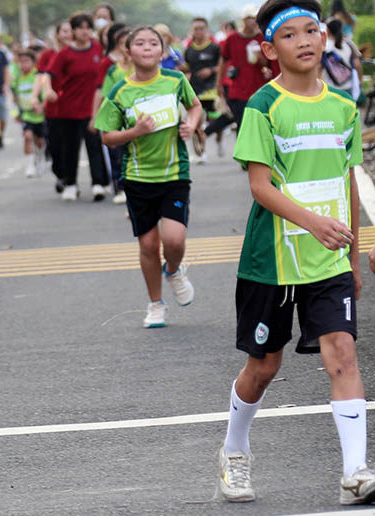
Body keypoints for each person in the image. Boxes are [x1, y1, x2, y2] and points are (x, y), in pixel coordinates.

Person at [217, 0, 375, 505]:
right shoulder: (263, 106)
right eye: (290, 34)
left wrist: (353, 252)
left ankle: (355, 473)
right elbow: (260, 186)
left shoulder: (343, 107)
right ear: (268, 48)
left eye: (311, 31)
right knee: (264, 367)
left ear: (324, 38)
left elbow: (347, 182)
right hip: (272, 259)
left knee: (342, 351)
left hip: (328, 258)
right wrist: (313, 222)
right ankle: (234, 448)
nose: (303, 41)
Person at [95, 26, 202, 328]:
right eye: (139, 43)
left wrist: (191, 125)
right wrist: (135, 132)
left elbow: (194, 107)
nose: (147, 47)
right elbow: (107, 136)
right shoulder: (120, 92)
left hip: (174, 173)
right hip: (138, 177)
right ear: (128, 53)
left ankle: (174, 269)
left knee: (174, 240)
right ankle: (155, 304)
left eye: (153, 43)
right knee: (147, 245)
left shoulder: (175, 80)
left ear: (162, 50)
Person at [48, 13, 108, 202]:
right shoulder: (65, 54)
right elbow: (49, 75)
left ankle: (98, 183)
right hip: (69, 109)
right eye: (81, 28)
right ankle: (71, 184)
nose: (85, 32)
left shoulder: (97, 48)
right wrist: (49, 92)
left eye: (88, 28)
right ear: (74, 30)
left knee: (94, 145)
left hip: (92, 108)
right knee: (70, 149)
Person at [216, 4, 275, 132]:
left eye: (255, 18)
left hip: (259, 89)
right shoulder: (232, 38)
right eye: (250, 18)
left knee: (260, 126)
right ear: (243, 20)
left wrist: (261, 58)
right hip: (238, 90)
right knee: (242, 126)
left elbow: (267, 65)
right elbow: (223, 60)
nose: (253, 21)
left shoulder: (262, 38)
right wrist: (219, 83)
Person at [93, 23, 131, 204]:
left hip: (139, 120)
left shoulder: (147, 68)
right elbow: (105, 95)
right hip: (118, 120)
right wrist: (97, 118)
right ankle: (120, 188)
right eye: (124, 44)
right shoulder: (113, 70)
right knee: (117, 155)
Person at [38, 22, 73, 193]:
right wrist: (39, 95)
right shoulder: (48, 55)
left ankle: (70, 179)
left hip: (73, 107)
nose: (68, 34)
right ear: (58, 34)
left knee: (70, 145)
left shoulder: (78, 54)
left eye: (70, 31)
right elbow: (42, 77)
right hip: (53, 107)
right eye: (64, 31)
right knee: (55, 145)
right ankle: (60, 174)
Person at [184, 18, 223, 163]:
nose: (198, 31)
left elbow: (222, 66)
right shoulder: (189, 50)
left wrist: (211, 70)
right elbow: (188, 67)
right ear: (192, 31)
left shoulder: (214, 48)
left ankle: (219, 139)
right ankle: (201, 152)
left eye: (201, 28)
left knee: (215, 121)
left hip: (212, 91)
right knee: (197, 123)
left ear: (206, 30)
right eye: (195, 29)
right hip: (195, 91)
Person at [11, 50, 45, 178]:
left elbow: (44, 95)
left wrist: (42, 106)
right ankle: (30, 164)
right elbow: (15, 98)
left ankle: (40, 156)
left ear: (33, 62)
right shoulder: (18, 78)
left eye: (26, 61)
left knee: (40, 140)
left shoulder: (38, 76)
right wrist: (16, 113)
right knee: (27, 136)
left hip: (40, 116)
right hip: (26, 115)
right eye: (21, 62)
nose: (23, 65)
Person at [321, 19, 360, 101]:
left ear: (327, 30)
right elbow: (357, 64)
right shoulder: (348, 44)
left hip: (330, 90)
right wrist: (360, 81)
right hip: (348, 88)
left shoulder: (323, 47)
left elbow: (318, 69)